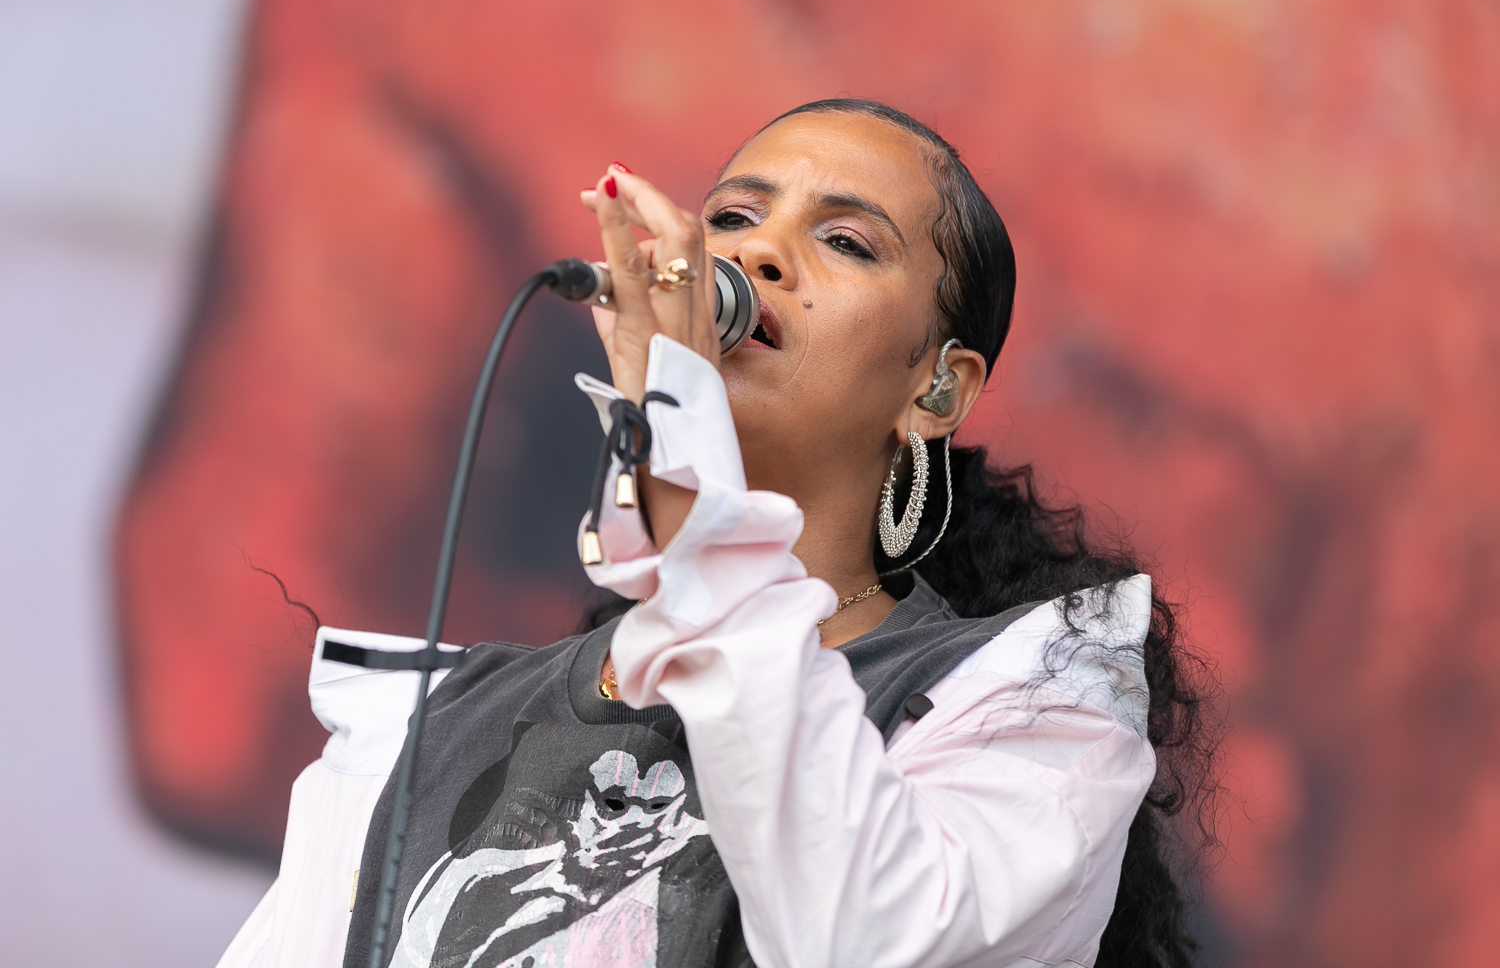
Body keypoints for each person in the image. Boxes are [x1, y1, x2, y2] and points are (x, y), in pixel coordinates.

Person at [217, 99, 1217, 968]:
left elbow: (863, 940)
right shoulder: (422, 726)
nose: (755, 251)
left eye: (848, 241)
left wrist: (688, 484)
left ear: (937, 387)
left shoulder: (1033, 696)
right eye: (732, 217)